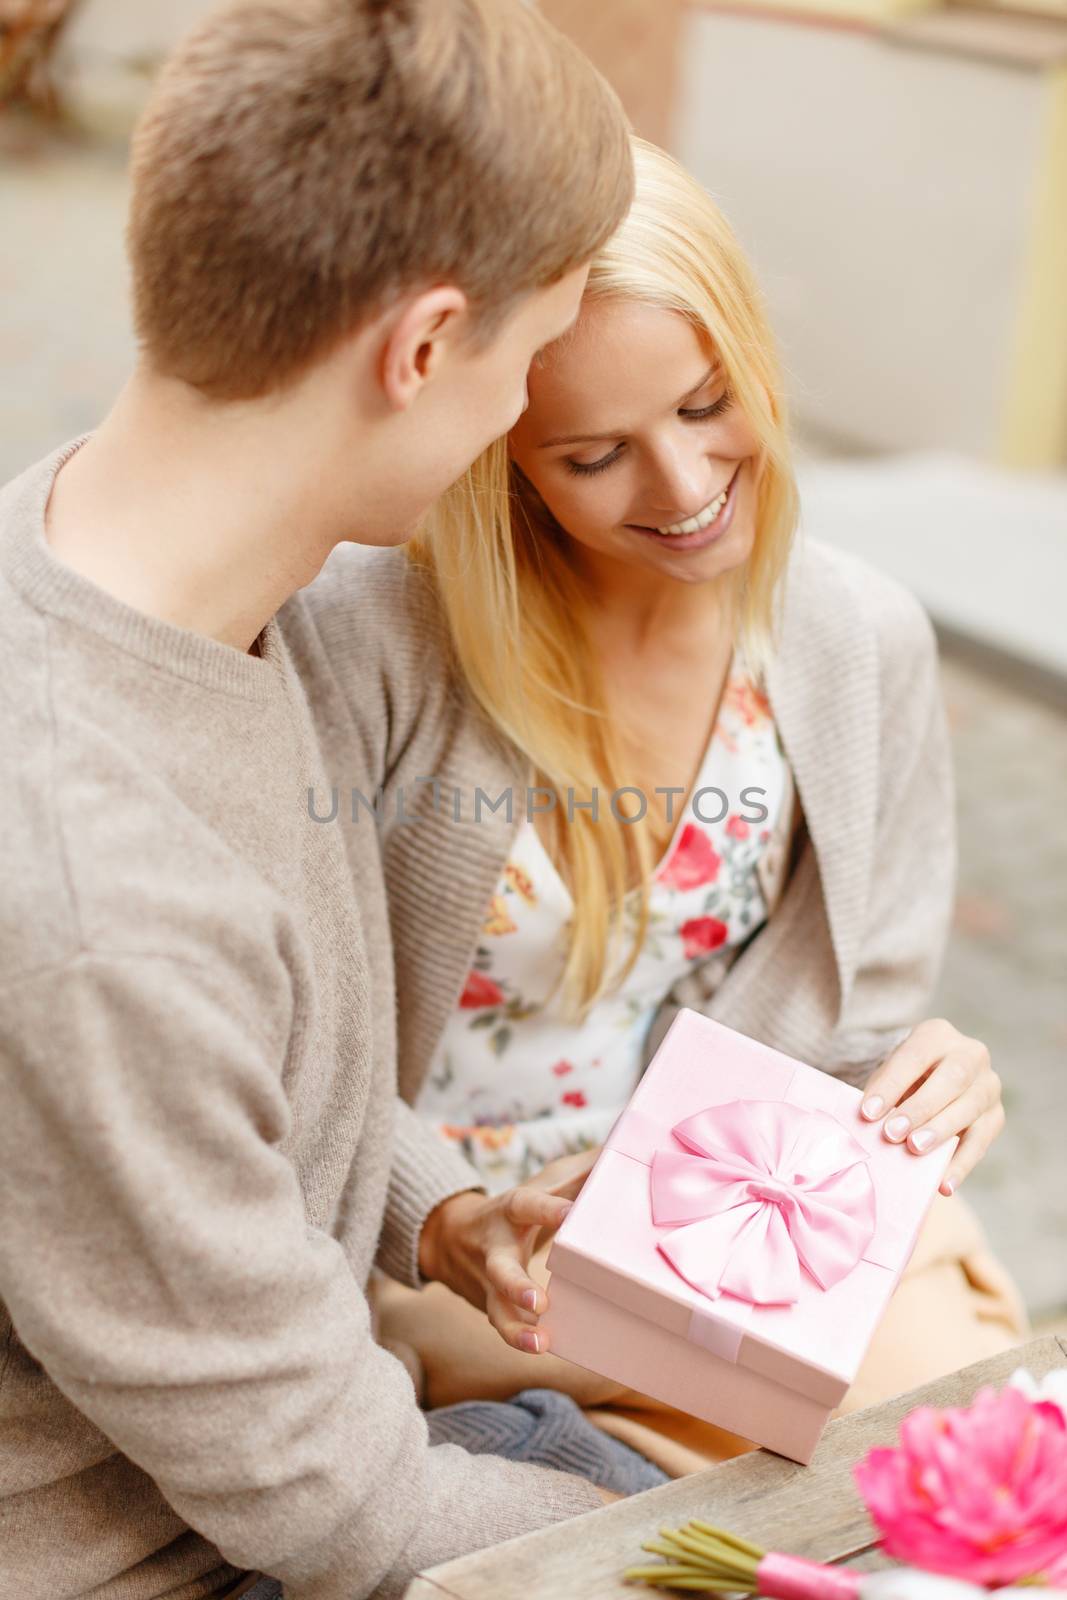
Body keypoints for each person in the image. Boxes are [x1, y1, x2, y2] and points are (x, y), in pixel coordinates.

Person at [0, 3, 640, 1596]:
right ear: (423, 349)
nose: (522, 415)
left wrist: (435, 1205)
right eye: (534, 348)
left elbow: (234, 1095)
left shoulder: (160, 565)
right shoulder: (94, 902)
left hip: (317, 1443)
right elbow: (353, 1525)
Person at [303, 138, 1029, 1475]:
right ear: (500, 454)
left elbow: (856, 1016)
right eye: (594, 456)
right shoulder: (367, 639)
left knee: (986, 1497)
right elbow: (283, 1038)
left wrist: (927, 1084)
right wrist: (450, 1216)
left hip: (753, 1235)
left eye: (708, 405)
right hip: (477, 1277)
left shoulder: (860, 639)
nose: (687, 489)